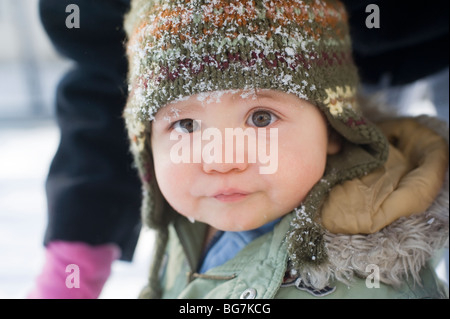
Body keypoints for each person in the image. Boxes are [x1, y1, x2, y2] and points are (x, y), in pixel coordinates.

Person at [29, 0, 448, 299]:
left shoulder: (370, 283)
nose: (220, 158)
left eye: (261, 118)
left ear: (335, 126)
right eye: (186, 124)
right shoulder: (188, 228)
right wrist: (74, 261)